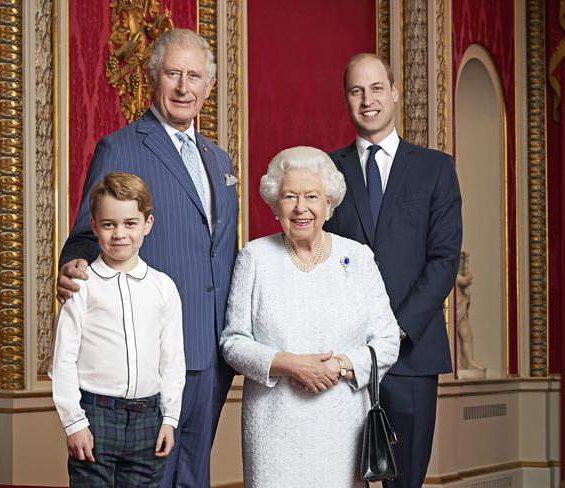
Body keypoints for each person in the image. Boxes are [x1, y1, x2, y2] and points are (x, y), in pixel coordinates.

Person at [56, 29, 238, 488]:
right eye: (173, 73)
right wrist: (74, 263)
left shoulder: (219, 160)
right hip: (153, 350)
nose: (183, 87)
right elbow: (84, 232)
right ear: (154, 77)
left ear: (208, 86)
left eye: (194, 76)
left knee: (194, 475)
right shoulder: (121, 147)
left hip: (214, 349)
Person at [220, 146, 400, 487]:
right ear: (275, 205)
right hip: (273, 426)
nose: (301, 208)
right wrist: (290, 364)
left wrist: (338, 365)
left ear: (328, 204)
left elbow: (388, 341)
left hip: (343, 426)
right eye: (289, 196)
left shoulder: (358, 258)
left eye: (312, 196)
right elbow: (233, 342)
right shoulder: (255, 257)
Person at [325, 53, 463, 488]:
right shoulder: (327, 171)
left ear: (395, 93)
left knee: (405, 483)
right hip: (342, 360)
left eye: (377, 88)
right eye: (356, 90)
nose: (368, 100)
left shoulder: (435, 169)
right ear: (346, 100)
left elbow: (444, 259)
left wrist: (395, 332)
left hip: (412, 356)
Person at [50, 172, 186, 486]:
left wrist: (169, 418)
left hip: (148, 420)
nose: (119, 234)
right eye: (109, 224)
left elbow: (172, 361)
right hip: (95, 416)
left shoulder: (163, 287)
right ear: (95, 226)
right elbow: (63, 361)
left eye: (130, 223)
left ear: (147, 224)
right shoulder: (81, 286)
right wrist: (74, 424)